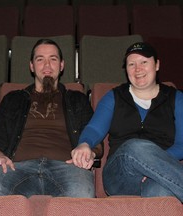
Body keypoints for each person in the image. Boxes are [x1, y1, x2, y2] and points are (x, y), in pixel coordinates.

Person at [0, 39, 102, 198]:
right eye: (40, 59)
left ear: (62, 65)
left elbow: (96, 141)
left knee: (82, 192)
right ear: (31, 66)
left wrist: (89, 152)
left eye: (53, 59)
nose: (47, 65)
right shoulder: (13, 99)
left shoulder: (77, 100)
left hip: (67, 168)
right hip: (17, 168)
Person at [78, 42, 183, 202]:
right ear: (126, 70)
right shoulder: (114, 96)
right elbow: (94, 129)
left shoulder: (176, 98)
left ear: (157, 65)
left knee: (159, 191)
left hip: (160, 175)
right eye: (131, 64)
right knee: (135, 146)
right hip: (119, 175)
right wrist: (84, 143)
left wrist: (154, 167)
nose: (137, 69)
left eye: (144, 62)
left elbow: (182, 144)